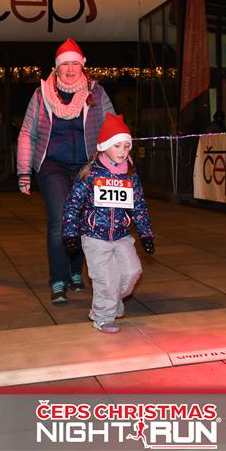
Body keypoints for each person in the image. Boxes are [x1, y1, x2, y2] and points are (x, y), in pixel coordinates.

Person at [16, 38, 115, 303]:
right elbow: (27, 133)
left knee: (83, 221)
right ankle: (58, 279)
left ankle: (75, 272)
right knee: (60, 221)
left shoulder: (97, 93)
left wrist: (118, 162)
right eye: (64, 64)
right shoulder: (41, 94)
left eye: (74, 64)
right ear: (56, 67)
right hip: (52, 165)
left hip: (87, 166)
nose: (70, 69)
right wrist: (24, 172)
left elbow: (112, 128)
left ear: (82, 65)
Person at [62, 113, 154, 334]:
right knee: (106, 280)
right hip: (95, 238)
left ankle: (111, 301)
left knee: (132, 272)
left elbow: (139, 206)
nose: (123, 151)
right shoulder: (90, 174)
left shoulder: (129, 175)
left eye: (126, 146)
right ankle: (102, 317)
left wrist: (146, 234)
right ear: (104, 146)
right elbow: (73, 205)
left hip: (122, 236)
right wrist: (70, 233)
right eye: (117, 146)